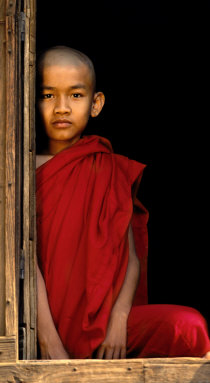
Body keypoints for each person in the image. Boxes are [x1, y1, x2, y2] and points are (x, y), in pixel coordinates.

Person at [36, 45, 210, 360]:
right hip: (42, 321)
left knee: (188, 327)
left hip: (104, 322)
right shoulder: (19, 171)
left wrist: (118, 320)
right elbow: (22, 262)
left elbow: (130, 259)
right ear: (31, 102)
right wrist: (49, 342)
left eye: (75, 95)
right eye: (48, 95)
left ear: (95, 103)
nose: (61, 107)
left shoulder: (109, 167)